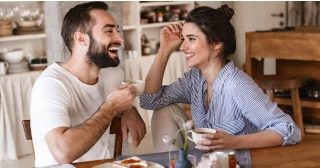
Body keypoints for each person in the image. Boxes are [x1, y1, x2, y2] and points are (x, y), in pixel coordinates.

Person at [139, 5, 301, 153]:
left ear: (216, 44)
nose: (182, 47)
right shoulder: (194, 80)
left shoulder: (237, 85)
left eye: (192, 39)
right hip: (205, 160)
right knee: (163, 110)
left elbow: (289, 130)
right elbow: (149, 101)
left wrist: (234, 142)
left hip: (235, 162)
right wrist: (164, 49)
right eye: (183, 39)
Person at [30, 2, 146, 167]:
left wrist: (129, 110)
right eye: (109, 31)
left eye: (117, 30)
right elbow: (63, 153)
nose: (120, 38)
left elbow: (119, 101)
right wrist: (111, 107)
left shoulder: (113, 74)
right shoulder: (51, 84)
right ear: (81, 38)